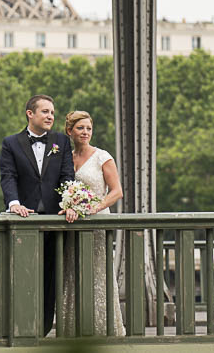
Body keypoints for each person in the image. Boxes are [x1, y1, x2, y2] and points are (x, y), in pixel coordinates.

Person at [0, 94, 77, 336]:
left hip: (55, 221)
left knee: (50, 279)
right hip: (25, 221)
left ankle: (42, 330)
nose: (50, 116)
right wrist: (14, 203)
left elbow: (67, 175)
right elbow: (8, 176)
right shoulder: (11, 143)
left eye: (52, 112)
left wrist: (70, 202)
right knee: (22, 277)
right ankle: (21, 328)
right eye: (45, 112)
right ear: (30, 114)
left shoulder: (61, 142)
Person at [61, 110, 125, 336]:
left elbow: (117, 192)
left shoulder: (102, 156)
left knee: (99, 272)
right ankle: (72, 328)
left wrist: (92, 208)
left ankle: (104, 328)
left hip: (97, 222)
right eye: (80, 128)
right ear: (70, 131)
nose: (85, 132)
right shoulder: (65, 157)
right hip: (72, 225)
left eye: (88, 128)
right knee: (72, 271)